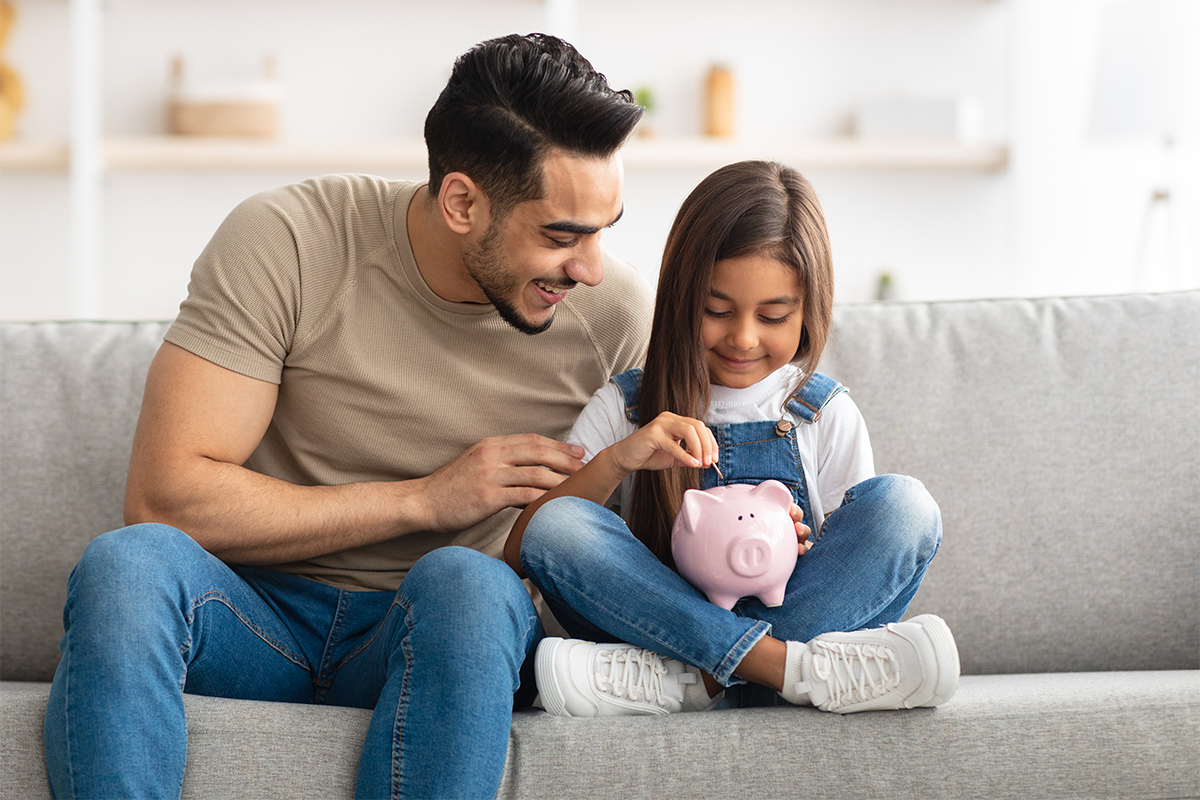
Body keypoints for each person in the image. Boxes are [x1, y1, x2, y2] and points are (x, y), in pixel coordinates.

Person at [43, 34, 652, 800]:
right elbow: (165, 497)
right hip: (253, 614)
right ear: (462, 201)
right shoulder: (290, 242)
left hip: (435, 629)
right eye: (561, 236)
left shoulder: (615, 315)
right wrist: (425, 498)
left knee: (470, 584)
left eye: (604, 229)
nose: (590, 267)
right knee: (127, 564)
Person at [504, 160, 959, 717]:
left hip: (684, 649)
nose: (743, 338)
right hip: (655, 626)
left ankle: (693, 682)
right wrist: (620, 461)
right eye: (716, 311)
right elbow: (526, 546)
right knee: (560, 522)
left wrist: (802, 544)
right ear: (680, 300)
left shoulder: (823, 413)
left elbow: (850, 569)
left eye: (773, 316)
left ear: (808, 312)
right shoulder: (626, 408)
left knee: (904, 507)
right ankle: (783, 671)